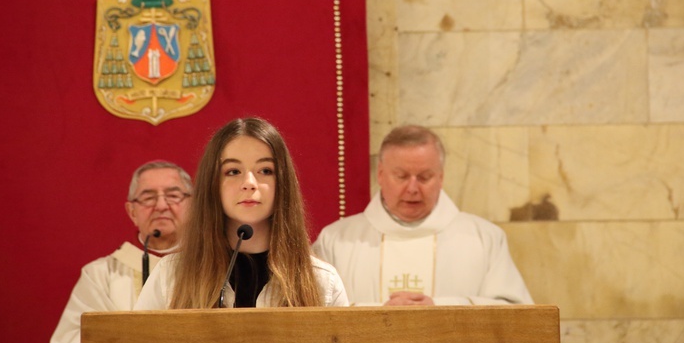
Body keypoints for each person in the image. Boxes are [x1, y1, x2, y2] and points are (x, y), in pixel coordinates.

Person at [135, 117, 348, 310]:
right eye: (233, 172)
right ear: (213, 185)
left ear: (283, 183)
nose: (249, 183)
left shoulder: (322, 281)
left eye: (265, 171)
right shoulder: (171, 275)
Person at [313, 125, 533, 306]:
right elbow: (312, 316)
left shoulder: (485, 239)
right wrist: (381, 313)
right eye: (401, 176)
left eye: (424, 177)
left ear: (441, 177)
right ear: (380, 175)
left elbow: (518, 316)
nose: (412, 188)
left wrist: (439, 308)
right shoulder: (336, 241)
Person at [49, 160, 193, 343]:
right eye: (148, 197)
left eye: (173, 195)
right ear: (132, 211)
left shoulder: (211, 269)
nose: (162, 205)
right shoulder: (100, 276)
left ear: (193, 206)